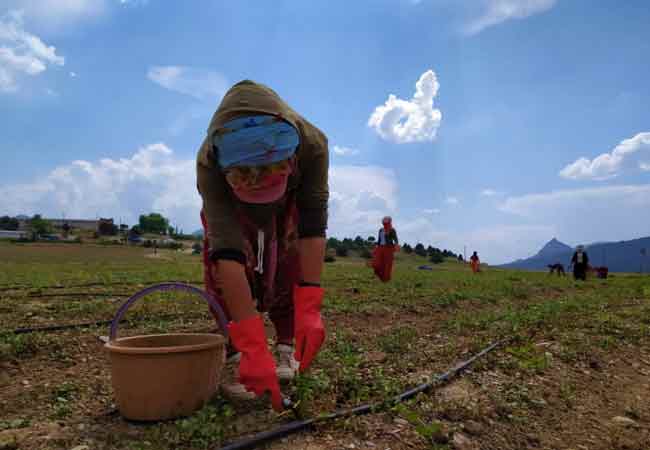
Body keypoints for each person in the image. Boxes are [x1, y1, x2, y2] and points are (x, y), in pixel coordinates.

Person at [196, 80, 329, 411]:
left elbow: (312, 226)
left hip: (290, 207)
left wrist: (310, 306)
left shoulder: (312, 146)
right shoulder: (209, 164)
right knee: (219, 277)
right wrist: (253, 347)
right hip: (232, 212)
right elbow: (225, 253)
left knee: (288, 263)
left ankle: (287, 348)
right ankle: (239, 355)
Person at [371, 216, 399, 282]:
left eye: (386, 222)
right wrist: (376, 247)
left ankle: (386, 279)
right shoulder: (381, 230)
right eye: (384, 222)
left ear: (389, 222)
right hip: (380, 247)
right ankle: (378, 276)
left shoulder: (392, 230)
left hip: (388, 248)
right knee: (376, 262)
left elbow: (396, 239)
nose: (385, 224)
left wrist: (396, 246)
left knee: (387, 264)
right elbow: (379, 239)